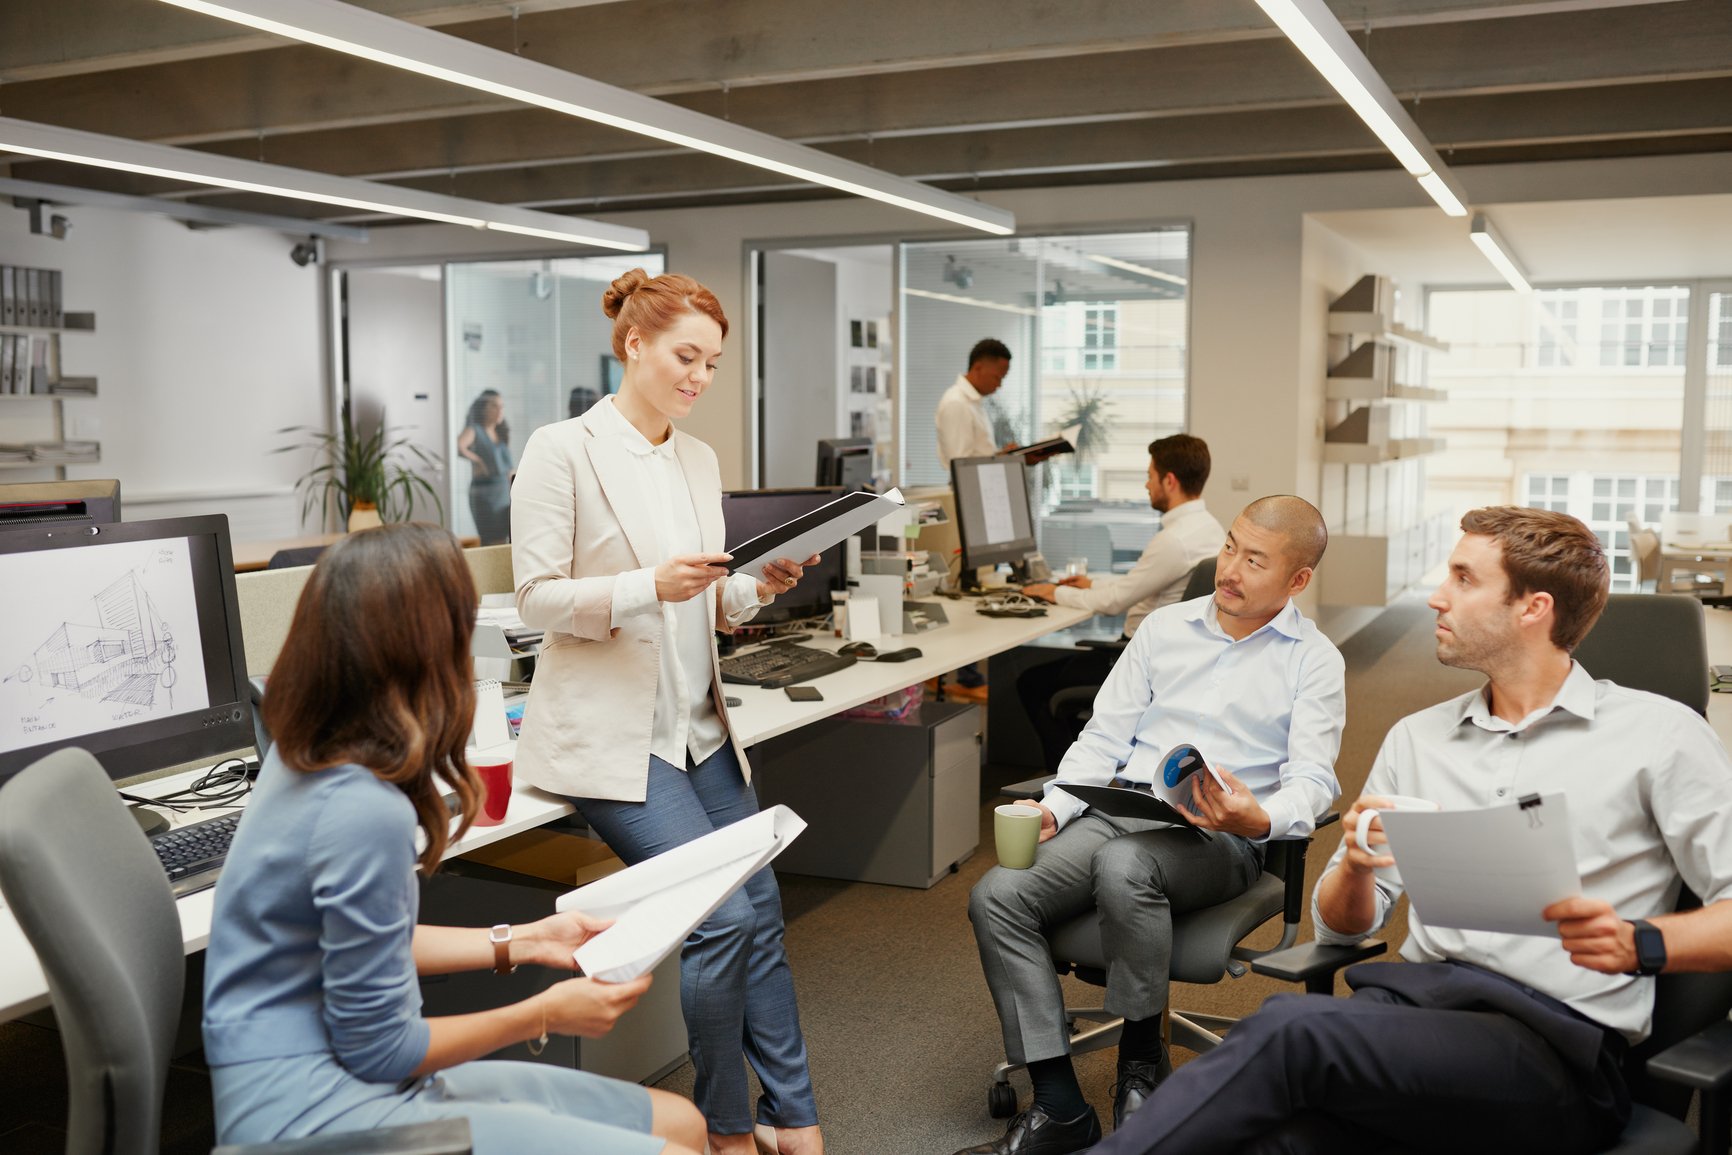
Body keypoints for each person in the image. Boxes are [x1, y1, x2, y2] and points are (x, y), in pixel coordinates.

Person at [1092, 506, 1732, 1155]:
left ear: (1532, 608)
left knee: (1289, 1030)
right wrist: (1360, 867)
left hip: (1551, 1047)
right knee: (1274, 1139)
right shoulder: (1417, 738)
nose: (1436, 595)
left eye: (1463, 578)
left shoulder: (1661, 734)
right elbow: (1344, 929)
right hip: (1413, 1016)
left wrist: (1640, 941)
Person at [201, 524, 706, 1154]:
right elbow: (386, 1051)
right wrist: (545, 1014)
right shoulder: (360, 809)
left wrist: (525, 939)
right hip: (313, 1116)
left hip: (325, 1067)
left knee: (683, 1124)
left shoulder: (303, 749)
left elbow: (368, 941)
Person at [511, 269, 826, 1155]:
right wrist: (647, 585)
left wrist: (755, 587)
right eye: (686, 356)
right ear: (633, 344)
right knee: (720, 917)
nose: (699, 377)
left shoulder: (698, 458)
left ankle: (795, 1120)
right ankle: (725, 1128)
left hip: (701, 728)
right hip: (616, 740)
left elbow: (712, 605)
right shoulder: (560, 449)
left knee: (760, 905)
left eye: (713, 363)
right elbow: (533, 598)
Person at [954, 496, 1345, 1155]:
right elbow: (1101, 737)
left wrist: (1260, 815)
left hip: (1221, 837)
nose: (1231, 568)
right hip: (1124, 810)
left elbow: (1314, 779)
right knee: (998, 895)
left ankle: (1141, 1060)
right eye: (1229, 547)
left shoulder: (1314, 659)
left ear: (1298, 579)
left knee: (1124, 865)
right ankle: (1059, 1106)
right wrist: (1056, 805)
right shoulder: (1166, 629)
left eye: (1255, 559)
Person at [1017, 434, 1227, 770]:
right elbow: (1143, 583)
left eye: (1150, 476)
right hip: (1172, 659)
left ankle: (1069, 784)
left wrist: (1052, 592)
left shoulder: (1174, 540)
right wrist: (1091, 583)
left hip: (1137, 660)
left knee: (1031, 683)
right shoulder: (1209, 528)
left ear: (1169, 481)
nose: (1146, 485)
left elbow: (1116, 602)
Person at [936, 337, 1013, 471]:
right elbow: (962, 466)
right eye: (997, 377)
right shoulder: (957, 403)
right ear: (978, 368)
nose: (999, 385)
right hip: (971, 488)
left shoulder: (974, 402)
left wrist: (1004, 456)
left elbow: (977, 456)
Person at [457, 389, 513, 545]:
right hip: (485, 494)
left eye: (502, 406)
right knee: (492, 540)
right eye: (495, 406)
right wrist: (478, 461)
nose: (500, 410)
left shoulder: (500, 433)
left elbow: (508, 467)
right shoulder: (475, 430)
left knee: (504, 539)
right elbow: (459, 446)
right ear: (483, 408)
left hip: (503, 493)